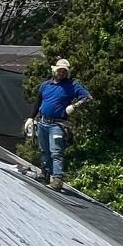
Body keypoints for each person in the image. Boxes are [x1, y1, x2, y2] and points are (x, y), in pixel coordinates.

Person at [24, 58, 92, 191]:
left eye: (64, 71)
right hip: (43, 122)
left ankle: (57, 180)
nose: (62, 73)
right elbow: (38, 102)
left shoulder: (72, 85)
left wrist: (74, 106)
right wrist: (31, 118)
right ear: (54, 70)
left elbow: (87, 97)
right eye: (60, 70)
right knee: (44, 150)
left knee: (56, 152)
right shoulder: (45, 85)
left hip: (58, 124)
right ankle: (45, 174)